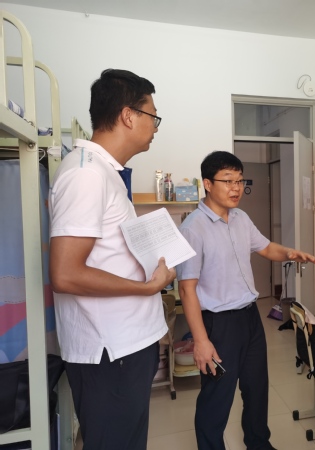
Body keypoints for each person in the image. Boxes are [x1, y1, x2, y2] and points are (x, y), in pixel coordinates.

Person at [49, 69, 176, 450]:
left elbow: (107, 254)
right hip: (110, 354)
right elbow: (66, 274)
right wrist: (147, 287)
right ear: (128, 116)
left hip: (125, 348)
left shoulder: (105, 173)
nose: (156, 127)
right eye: (153, 116)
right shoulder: (86, 175)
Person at [176, 150, 315, 450]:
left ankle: (258, 444)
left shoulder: (241, 218)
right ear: (207, 184)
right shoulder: (193, 228)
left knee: (257, 389)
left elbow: (266, 248)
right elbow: (187, 289)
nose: (236, 188)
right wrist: (201, 341)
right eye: (228, 180)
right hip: (218, 324)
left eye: (240, 180)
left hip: (250, 318)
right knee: (217, 396)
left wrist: (290, 253)